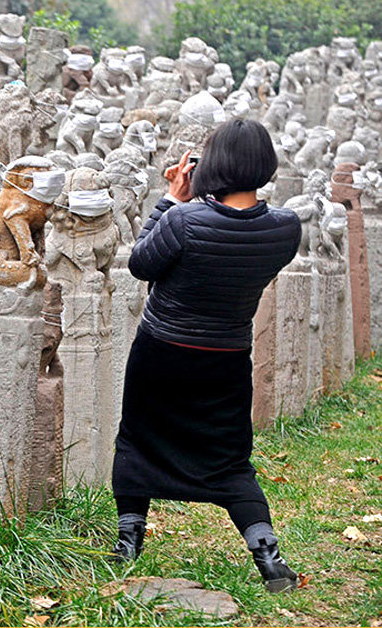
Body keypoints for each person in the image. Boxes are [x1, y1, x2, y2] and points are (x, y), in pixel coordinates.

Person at [111, 119, 303, 593]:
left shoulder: (184, 219)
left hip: (162, 352)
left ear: (211, 166)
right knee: (230, 459)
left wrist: (172, 199)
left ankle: (129, 541)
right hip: (226, 357)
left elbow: (140, 264)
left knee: (137, 440)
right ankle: (268, 554)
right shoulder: (285, 228)